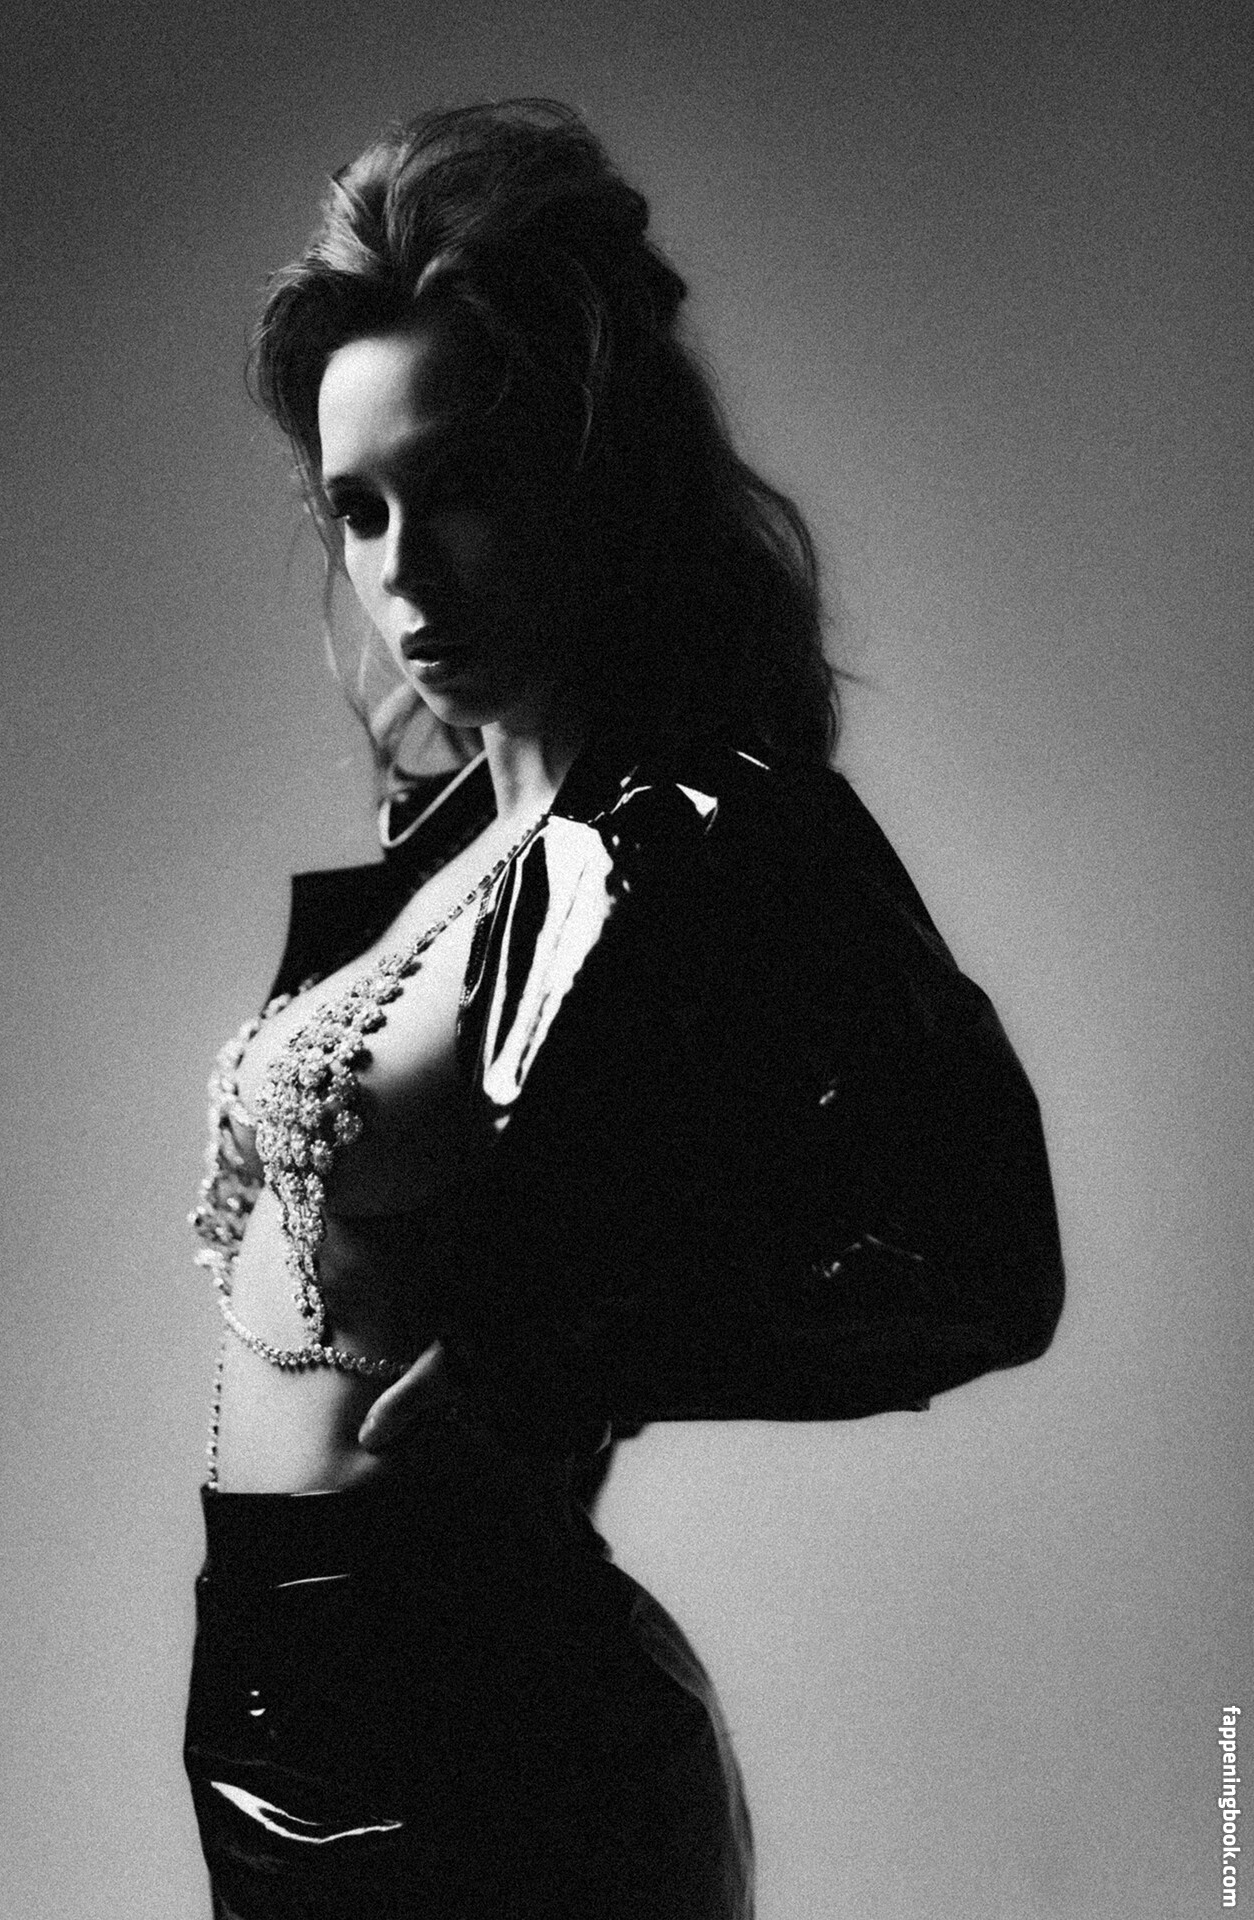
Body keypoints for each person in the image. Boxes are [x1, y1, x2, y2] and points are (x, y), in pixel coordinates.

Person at [183, 98, 1065, 1918]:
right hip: (274, 1690)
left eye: (460, 487)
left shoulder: (714, 823)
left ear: (594, 474)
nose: (402, 571)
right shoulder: (440, 849)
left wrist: (574, 1360)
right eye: (358, 510)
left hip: (488, 1714)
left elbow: (987, 1261)